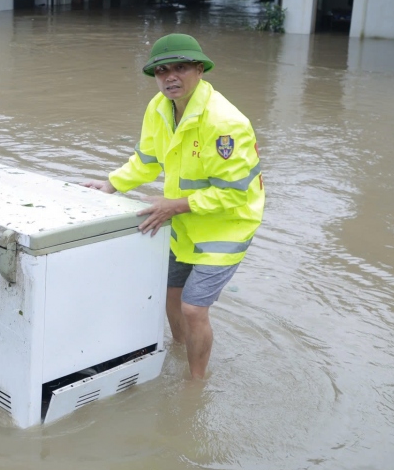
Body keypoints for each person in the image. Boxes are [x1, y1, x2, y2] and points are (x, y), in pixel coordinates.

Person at [83, 33, 264, 379]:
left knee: (194, 308)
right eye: (162, 71)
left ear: (199, 70)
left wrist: (175, 206)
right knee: (169, 294)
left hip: (227, 224)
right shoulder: (158, 108)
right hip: (182, 219)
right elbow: (147, 160)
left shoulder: (225, 123)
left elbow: (237, 194)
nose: (170, 77)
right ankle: (181, 349)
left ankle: (196, 383)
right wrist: (111, 184)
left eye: (180, 68)